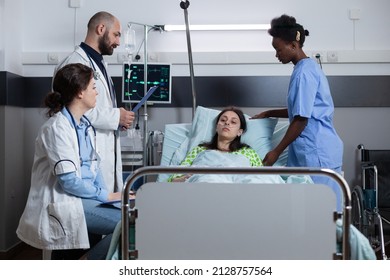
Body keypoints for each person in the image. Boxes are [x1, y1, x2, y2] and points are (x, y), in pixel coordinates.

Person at [16, 63, 133, 260]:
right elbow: (69, 181)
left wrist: (113, 197)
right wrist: (106, 195)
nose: (96, 93)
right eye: (93, 87)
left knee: (131, 214)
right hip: (66, 201)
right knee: (129, 224)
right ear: (80, 92)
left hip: (83, 199)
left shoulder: (84, 125)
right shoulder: (56, 128)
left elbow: (93, 169)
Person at [251, 14, 344, 208]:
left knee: (323, 212)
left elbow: (301, 118)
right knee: (308, 212)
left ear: (294, 45)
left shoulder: (304, 73)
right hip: (311, 152)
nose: (277, 54)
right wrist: (269, 113)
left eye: (278, 49)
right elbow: (299, 109)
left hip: (317, 153)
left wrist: (276, 151)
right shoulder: (306, 68)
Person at [54, 11, 134, 193]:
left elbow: (97, 106)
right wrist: (116, 117)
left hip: (103, 150)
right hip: (85, 158)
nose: (118, 42)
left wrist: (116, 119)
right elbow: (74, 109)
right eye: (116, 34)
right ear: (101, 29)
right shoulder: (75, 63)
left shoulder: (99, 63)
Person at [169, 107, 263, 182]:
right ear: (217, 127)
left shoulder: (248, 152)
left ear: (239, 132)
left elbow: (262, 177)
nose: (227, 123)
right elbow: (175, 177)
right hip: (206, 183)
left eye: (233, 122)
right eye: (223, 120)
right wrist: (183, 179)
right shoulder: (201, 149)